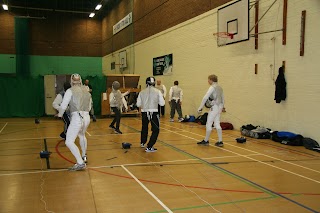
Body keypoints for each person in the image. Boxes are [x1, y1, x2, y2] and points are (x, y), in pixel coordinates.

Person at [57, 73, 92, 171]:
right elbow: (89, 105)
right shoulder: (86, 90)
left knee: (69, 141)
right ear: (80, 80)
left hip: (77, 117)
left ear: (71, 81)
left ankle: (80, 162)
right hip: (86, 117)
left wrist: (60, 114)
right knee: (82, 135)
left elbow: (63, 106)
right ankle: (84, 156)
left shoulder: (70, 91)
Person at [137, 77, 165, 152]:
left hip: (144, 112)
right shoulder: (157, 91)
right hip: (154, 112)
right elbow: (162, 103)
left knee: (144, 127)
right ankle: (149, 146)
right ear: (154, 83)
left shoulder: (142, 92)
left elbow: (138, 104)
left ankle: (143, 142)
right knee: (156, 129)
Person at [197, 74, 225, 147]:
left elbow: (205, 97)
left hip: (214, 107)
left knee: (208, 123)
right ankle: (220, 141)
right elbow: (223, 98)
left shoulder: (212, 87)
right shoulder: (220, 88)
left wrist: (200, 107)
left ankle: (206, 141)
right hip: (219, 107)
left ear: (211, 80)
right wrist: (223, 107)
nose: (208, 81)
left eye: (208, 79)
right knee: (217, 123)